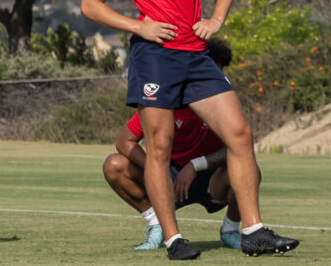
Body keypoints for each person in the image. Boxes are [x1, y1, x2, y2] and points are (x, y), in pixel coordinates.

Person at [80, 0, 301, 260]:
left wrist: (216, 19)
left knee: (240, 133)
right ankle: (172, 239)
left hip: (197, 56)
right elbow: (90, 4)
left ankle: (252, 231)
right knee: (159, 147)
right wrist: (139, 27)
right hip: (154, 58)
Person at [103, 39, 245, 251]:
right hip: (168, 172)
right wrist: (157, 171)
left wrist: (195, 165)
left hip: (209, 178)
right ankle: (156, 224)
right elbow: (124, 141)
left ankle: (230, 230)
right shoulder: (164, 100)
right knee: (114, 165)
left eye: (214, 72)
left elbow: (239, 148)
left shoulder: (222, 102)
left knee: (247, 170)